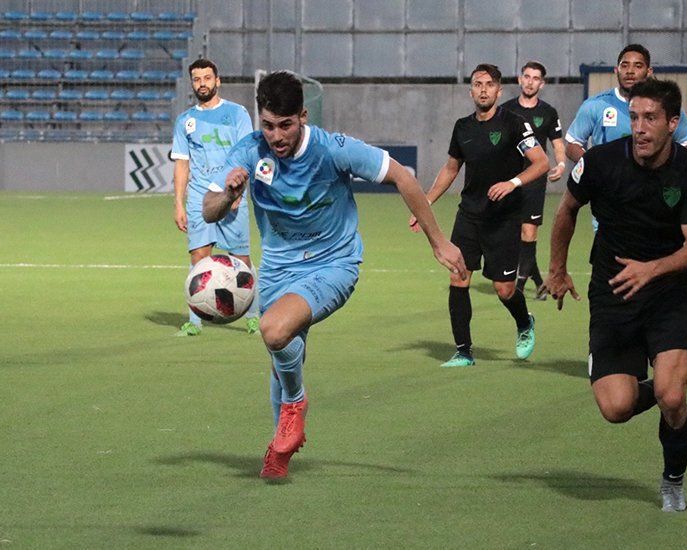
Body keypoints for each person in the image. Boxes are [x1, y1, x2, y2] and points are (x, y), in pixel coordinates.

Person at [203, 71, 466, 479]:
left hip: (333, 264)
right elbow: (208, 211)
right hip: (277, 269)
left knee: (273, 331)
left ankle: (296, 404)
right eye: (268, 125)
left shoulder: (333, 149)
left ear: (303, 116)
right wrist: (229, 194)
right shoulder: (250, 151)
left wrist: (438, 242)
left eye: (285, 125)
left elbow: (404, 177)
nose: (276, 136)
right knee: (282, 357)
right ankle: (280, 448)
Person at [541, 79, 687, 513]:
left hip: (667, 295)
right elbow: (566, 212)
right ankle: (669, 382)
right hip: (613, 296)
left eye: (650, 118)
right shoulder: (600, 162)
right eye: (634, 117)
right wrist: (557, 269)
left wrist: (650, 270)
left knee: (673, 400)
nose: (639, 127)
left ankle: (673, 480)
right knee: (616, 408)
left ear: (673, 123)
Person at [409, 63, 549, 368]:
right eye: (477, 84)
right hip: (469, 216)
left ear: (499, 90)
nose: (482, 89)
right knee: (459, 278)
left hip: (505, 218)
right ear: (471, 90)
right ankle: (463, 351)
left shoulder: (514, 123)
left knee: (504, 290)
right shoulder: (463, 127)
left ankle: (524, 322)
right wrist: (425, 205)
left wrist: (512, 183)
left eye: (488, 84)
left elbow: (541, 163)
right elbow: (450, 169)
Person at [171, 58, 259, 336]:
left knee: (241, 259)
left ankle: (253, 316)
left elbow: (247, 154)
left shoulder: (237, 114)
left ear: (217, 81)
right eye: (197, 79)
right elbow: (182, 164)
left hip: (230, 193)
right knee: (199, 256)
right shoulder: (185, 121)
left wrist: (238, 191)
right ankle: (194, 322)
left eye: (207, 78)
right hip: (199, 197)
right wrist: (178, 203)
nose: (202, 84)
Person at [564, 44, 687, 165]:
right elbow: (572, 144)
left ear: (649, 71)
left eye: (638, 66)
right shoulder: (595, 105)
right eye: (624, 65)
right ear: (616, 70)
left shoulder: (664, 104)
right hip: (609, 187)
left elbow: (686, 141)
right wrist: (594, 167)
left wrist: (667, 168)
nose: (630, 71)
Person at [500, 61, 566, 300]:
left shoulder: (548, 113)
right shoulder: (505, 110)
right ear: (520, 79)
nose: (530, 81)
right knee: (518, 237)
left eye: (535, 78)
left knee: (529, 233)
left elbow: (558, 144)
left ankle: (518, 287)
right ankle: (539, 282)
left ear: (542, 83)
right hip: (510, 179)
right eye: (526, 76)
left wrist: (560, 164)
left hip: (535, 180)